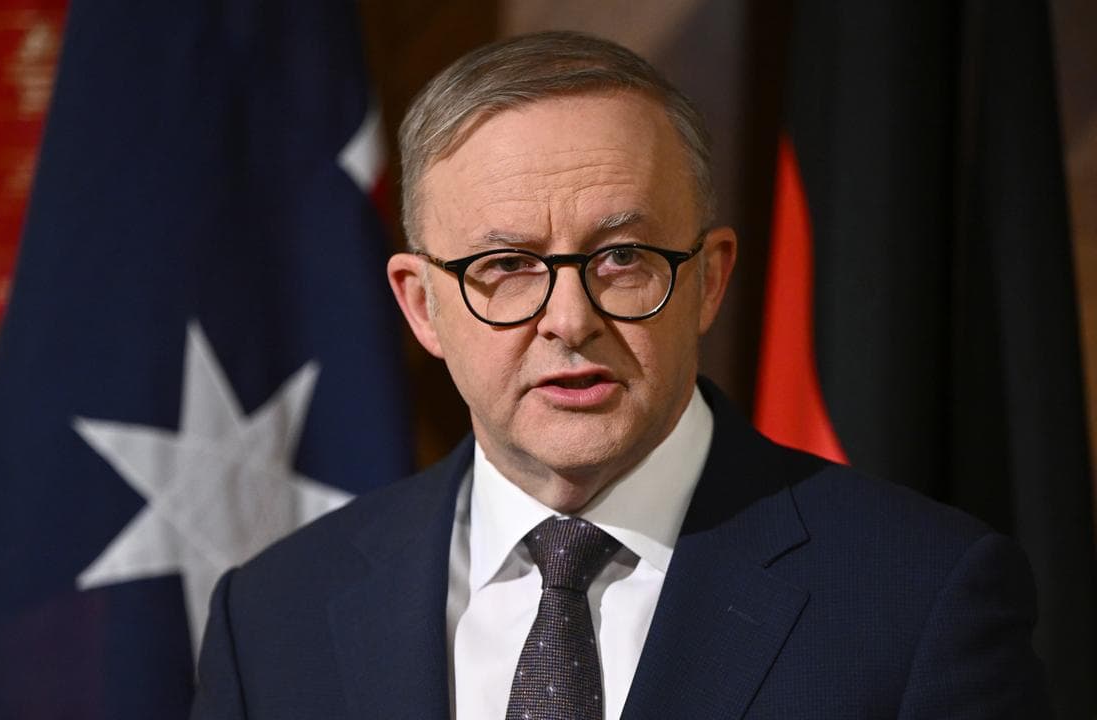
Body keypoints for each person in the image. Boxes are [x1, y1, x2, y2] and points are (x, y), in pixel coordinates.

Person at [191, 31, 1049, 719]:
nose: (570, 319)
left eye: (624, 257)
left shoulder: (922, 598)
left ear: (709, 278)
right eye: (507, 266)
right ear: (421, 306)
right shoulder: (271, 619)